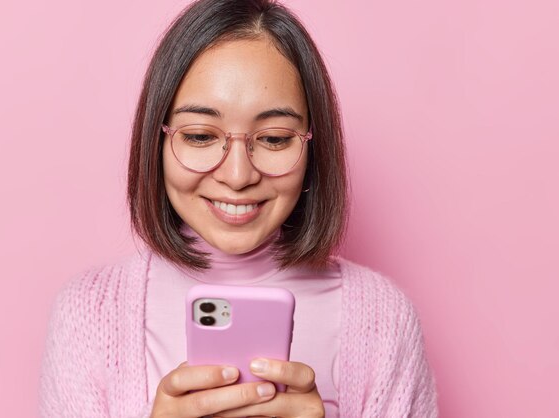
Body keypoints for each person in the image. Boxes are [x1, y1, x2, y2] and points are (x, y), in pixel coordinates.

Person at [39, 0, 438, 417]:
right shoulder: (88, 316)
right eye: (198, 135)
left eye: (274, 139)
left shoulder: (385, 321)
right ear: (156, 141)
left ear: (311, 147)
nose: (237, 174)